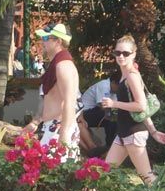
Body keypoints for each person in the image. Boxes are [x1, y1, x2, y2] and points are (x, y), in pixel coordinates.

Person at [101, 35, 165, 185]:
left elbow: (141, 106)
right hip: (124, 133)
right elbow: (142, 111)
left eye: (125, 53)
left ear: (133, 54)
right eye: (117, 53)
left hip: (133, 133)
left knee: (147, 176)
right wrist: (153, 131)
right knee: (105, 172)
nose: (120, 56)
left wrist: (114, 104)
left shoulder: (132, 76)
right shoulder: (125, 75)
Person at [22, 23, 83, 160]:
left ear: (58, 41)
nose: (42, 42)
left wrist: (64, 135)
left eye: (45, 39)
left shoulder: (63, 66)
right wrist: (36, 122)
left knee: (55, 177)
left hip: (59, 129)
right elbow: (48, 97)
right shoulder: (57, 64)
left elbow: (70, 101)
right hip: (52, 127)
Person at [77, 71, 119, 157]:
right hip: (85, 112)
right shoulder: (104, 85)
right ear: (114, 82)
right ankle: (106, 147)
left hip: (96, 113)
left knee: (112, 119)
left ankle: (109, 146)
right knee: (109, 116)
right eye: (119, 87)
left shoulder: (114, 91)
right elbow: (103, 106)